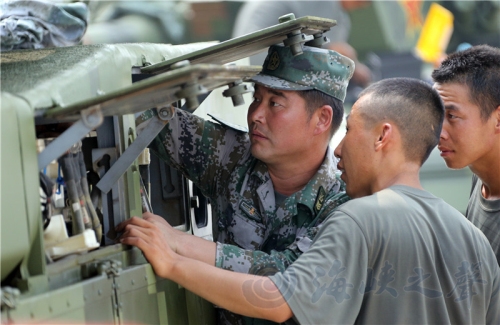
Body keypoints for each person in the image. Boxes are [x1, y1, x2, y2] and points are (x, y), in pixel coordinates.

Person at [119, 77, 500, 324]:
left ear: (383, 137)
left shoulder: (360, 219)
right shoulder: (473, 239)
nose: (338, 150)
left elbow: (277, 299)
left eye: (349, 129)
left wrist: (172, 262)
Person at [124, 44, 355, 324]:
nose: (256, 115)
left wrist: (177, 243)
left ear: (322, 119)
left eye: (275, 104)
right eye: (256, 98)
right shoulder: (232, 155)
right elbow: (143, 116)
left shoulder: (344, 199)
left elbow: (283, 275)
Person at [432, 44, 500, 265]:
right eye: (437, 115)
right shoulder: (481, 173)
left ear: (497, 119)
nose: (438, 133)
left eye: (452, 116)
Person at [232, 1, 372, 88]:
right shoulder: (325, 3)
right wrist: (354, 63)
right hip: (258, 55)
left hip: (252, 56)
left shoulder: (340, 16)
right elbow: (334, 49)